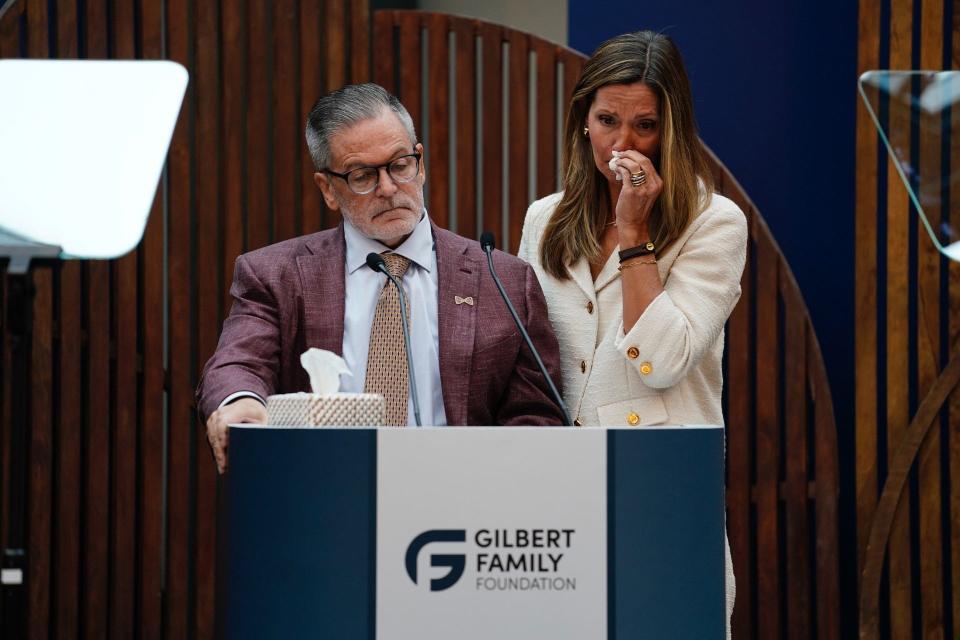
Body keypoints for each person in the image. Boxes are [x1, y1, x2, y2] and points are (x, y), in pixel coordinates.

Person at [198, 83, 566, 473]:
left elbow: (535, 415)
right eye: (362, 175)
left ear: (420, 164)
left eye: (399, 165)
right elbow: (239, 364)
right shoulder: (277, 275)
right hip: (324, 494)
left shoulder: (504, 281)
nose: (388, 188)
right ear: (327, 188)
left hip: (459, 504)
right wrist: (241, 405)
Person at [517, 31, 745, 635]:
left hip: (659, 491)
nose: (622, 144)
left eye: (644, 125)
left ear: (671, 129)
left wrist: (634, 232)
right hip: (556, 506)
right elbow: (527, 360)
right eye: (607, 120)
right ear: (583, 122)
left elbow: (663, 361)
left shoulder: (715, 222)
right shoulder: (545, 218)